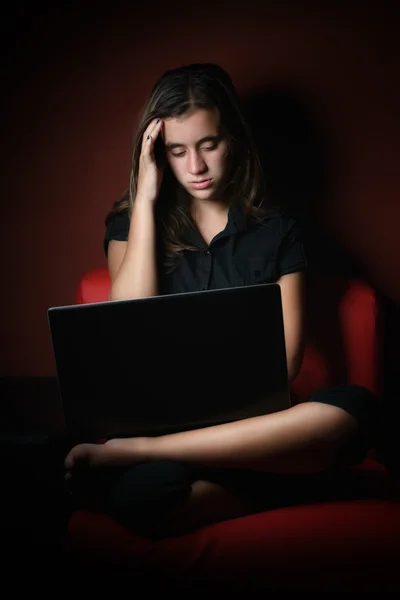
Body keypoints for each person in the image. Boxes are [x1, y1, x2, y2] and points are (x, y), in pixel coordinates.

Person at [65, 63, 378, 539]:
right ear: (157, 154)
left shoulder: (277, 231)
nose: (196, 167)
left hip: (254, 426)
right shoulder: (131, 223)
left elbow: (286, 362)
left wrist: (144, 448)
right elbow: (126, 320)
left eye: (209, 145)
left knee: (357, 409)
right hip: (175, 426)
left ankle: (140, 453)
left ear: (233, 137)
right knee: (138, 495)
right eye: (177, 150)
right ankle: (301, 483)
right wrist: (146, 198)